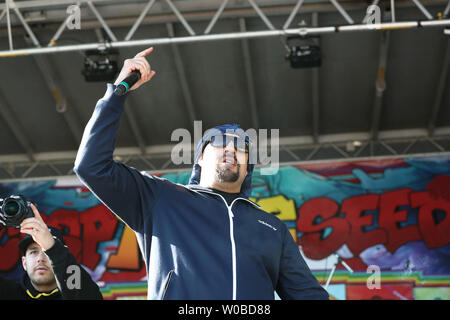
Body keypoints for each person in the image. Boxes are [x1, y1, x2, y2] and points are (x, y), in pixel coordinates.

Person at [73, 47, 329, 300]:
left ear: (248, 166)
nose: (230, 147)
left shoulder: (271, 227)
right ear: (201, 158)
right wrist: (118, 92)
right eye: (218, 141)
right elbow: (91, 166)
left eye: (240, 146)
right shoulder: (161, 198)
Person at [0, 203, 103, 300]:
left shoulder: (80, 290)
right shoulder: (8, 292)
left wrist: (52, 247)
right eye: (33, 252)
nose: (40, 258)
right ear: (24, 263)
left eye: (47, 252)